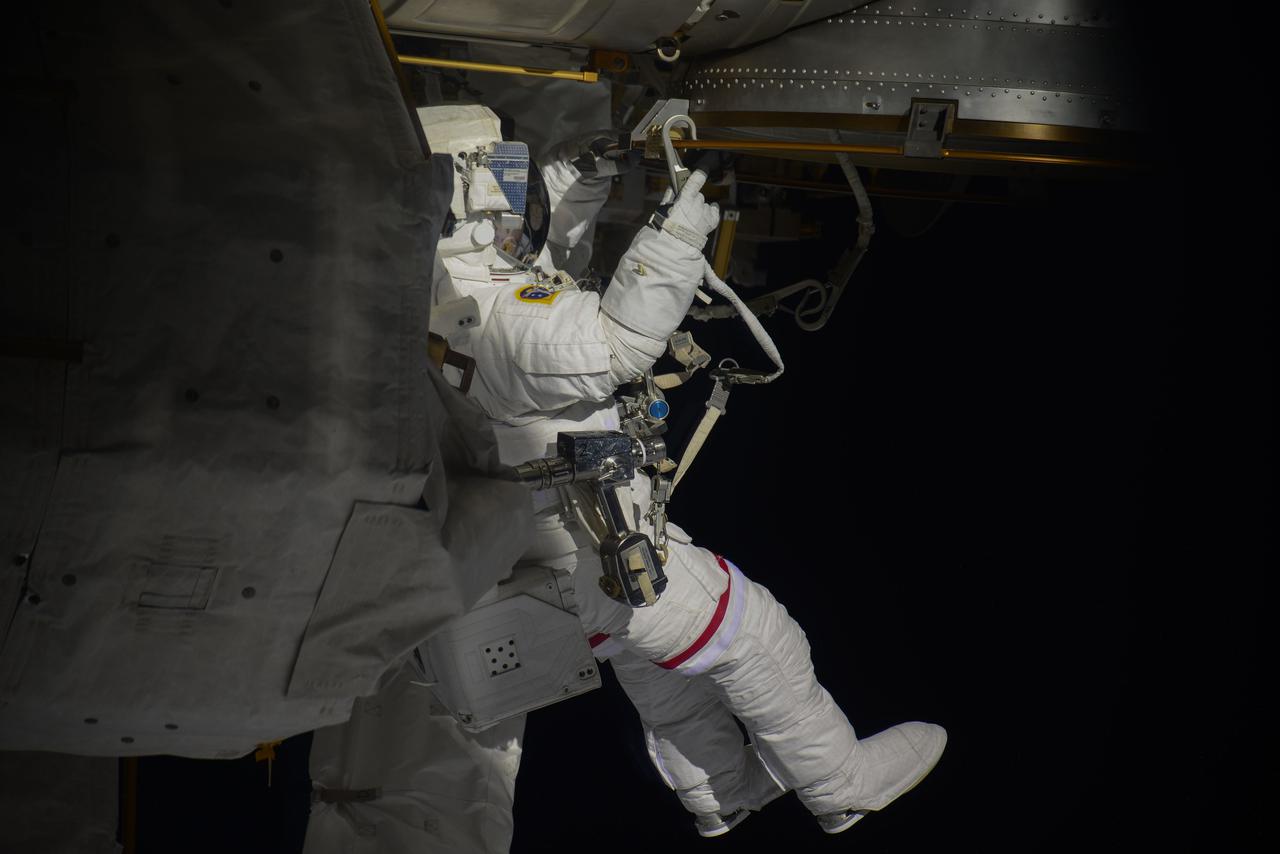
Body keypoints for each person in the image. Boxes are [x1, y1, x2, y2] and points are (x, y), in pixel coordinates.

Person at [424, 104, 946, 838]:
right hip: (588, 550)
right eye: (503, 180)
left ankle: (721, 796)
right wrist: (675, 235)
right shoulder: (493, 314)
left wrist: (581, 171)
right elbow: (609, 348)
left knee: (665, 676)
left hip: (564, 560)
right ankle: (840, 784)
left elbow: (546, 267)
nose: (520, 199)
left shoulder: (451, 291)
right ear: (472, 199)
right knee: (758, 637)